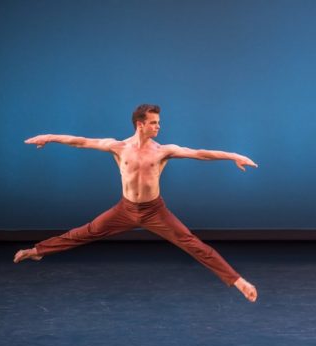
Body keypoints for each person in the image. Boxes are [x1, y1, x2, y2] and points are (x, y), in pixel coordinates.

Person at [14, 104, 258, 302]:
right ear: (140, 124)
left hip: (155, 211)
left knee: (192, 243)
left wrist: (234, 156)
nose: (158, 127)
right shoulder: (119, 147)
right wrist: (48, 137)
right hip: (125, 209)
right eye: (153, 122)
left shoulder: (163, 150)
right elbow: (80, 141)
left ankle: (239, 282)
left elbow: (200, 153)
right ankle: (37, 251)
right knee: (85, 232)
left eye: (158, 122)